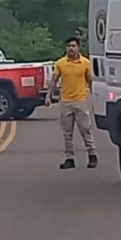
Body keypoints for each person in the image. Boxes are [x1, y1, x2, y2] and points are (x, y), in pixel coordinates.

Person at [45, 37, 98, 169]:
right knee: (67, 132)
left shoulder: (85, 63)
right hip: (66, 100)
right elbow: (54, 80)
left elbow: (91, 81)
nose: (71, 48)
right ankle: (70, 157)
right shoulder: (61, 63)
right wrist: (48, 95)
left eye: (73, 46)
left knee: (85, 129)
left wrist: (95, 98)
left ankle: (92, 154)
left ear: (78, 47)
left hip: (81, 100)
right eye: (68, 46)